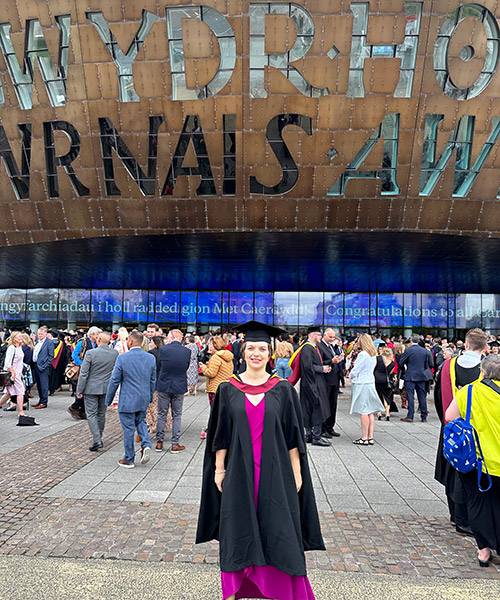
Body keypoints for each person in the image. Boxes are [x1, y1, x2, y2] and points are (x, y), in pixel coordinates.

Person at [196, 321, 325, 600]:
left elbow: (293, 436)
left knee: (278, 527)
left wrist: (297, 472)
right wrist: (219, 469)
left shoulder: (283, 390)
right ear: (243, 352)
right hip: (239, 473)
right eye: (251, 348)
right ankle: (232, 591)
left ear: (270, 353)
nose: (256, 353)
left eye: (262, 348)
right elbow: (221, 433)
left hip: (276, 471)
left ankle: (281, 590)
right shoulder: (228, 389)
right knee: (236, 527)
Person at [445, 355, 500, 567]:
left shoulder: (469, 391)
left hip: (476, 462)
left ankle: (484, 550)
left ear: (482, 372)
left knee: (477, 504)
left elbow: (449, 416)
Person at [434, 328, 488, 536]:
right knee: (469, 472)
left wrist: (445, 420)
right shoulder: (486, 370)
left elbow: (438, 395)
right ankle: (466, 519)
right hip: (476, 430)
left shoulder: (448, 365)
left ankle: (454, 513)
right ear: (484, 348)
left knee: (450, 469)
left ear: (465, 345)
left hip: (450, 426)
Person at [105, 330, 156, 468]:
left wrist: (108, 399)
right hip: (143, 397)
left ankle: (129, 458)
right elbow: (152, 380)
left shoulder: (123, 358)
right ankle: (146, 444)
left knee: (128, 428)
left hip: (128, 398)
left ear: (131, 341)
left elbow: (114, 380)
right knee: (141, 421)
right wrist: (150, 396)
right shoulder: (150, 358)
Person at [76, 332, 118, 452]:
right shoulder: (114, 353)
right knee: (101, 413)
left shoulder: (91, 353)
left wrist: (79, 390)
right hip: (106, 387)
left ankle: (96, 439)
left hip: (91, 388)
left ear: (98, 340)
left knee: (91, 414)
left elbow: (84, 373)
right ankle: (99, 437)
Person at [155, 329, 191, 454]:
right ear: (180, 338)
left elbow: (159, 367)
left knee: (161, 414)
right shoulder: (187, 351)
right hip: (179, 385)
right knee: (177, 415)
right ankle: (175, 444)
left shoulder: (163, 350)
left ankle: (159, 442)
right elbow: (185, 367)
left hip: (164, 384)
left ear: (171, 337)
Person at [349, 333, 384, 445]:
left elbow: (356, 370)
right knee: (370, 411)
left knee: (363, 411)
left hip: (361, 383)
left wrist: (350, 375)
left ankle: (364, 437)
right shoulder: (373, 354)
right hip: (370, 382)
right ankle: (370, 437)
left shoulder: (363, 354)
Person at [299, 326, 331, 446]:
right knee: (316, 408)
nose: (320, 337)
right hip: (311, 382)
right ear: (312, 335)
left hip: (313, 381)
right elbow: (307, 367)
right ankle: (315, 437)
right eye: (319, 334)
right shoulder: (307, 348)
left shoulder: (313, 347)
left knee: (310, 408)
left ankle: (310, 435)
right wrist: (321, 368)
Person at [199, 335, 234, 439]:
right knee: (221, 411)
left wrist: (204, 367)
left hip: (215, 388)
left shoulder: (216, 357)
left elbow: (211, 373)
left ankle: (213, 431)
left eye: (210, 344)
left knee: (215, 411)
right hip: (225, 387)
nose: (208, 346)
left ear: (215, 345)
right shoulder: (227, 356)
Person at [398, 334, 434, 423]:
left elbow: (401, 363)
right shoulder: (425, 351)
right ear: (419, 341)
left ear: (411, 341)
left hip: (410, 375)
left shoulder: (408, 350)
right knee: (422, 396)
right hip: (422, 376)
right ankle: (424, 416)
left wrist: (406, 368)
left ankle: (410, 416)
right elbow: (431, 364)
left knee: (410, 396)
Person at [69, 326, 101, 419]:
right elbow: (74, 355)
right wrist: (83, 364)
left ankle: (81, 410)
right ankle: (75, 408)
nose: (98, 336)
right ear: (92, 334)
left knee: (86, 391)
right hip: (82, 370)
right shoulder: (83, 342)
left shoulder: (96, 343)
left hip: (92, 370)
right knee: (81, 389)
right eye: (97, 334)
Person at [318, 328, 343, 438]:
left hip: (334, 379)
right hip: (326, 379)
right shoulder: (320, 346)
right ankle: (323, 428)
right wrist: (331, 361)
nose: (333, 339)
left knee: (333, 404)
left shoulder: (331, 346)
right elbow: (319, 362)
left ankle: (330, 427)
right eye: (330, 337)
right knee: (326, 405)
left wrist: (339, 358)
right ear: (324, 335)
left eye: (334, 337)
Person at [0, 332, 26, 417]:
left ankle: (21, 412)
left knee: (8, 393)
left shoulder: (19, 347)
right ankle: (21, 412)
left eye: (21, 336)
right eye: (19, 336)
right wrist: (13, 373)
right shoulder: (11, 348)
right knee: (20, 392)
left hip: (18, 373)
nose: (21, 337)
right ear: (14, 338)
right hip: (13, 374)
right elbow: (7, 363)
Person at [31, 326, 54, 409]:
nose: (39, 335)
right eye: (38, 333)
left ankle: (44, 402)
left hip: (43, 367)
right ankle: (41, 401)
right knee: (39, 385)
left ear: (45, 333)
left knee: (44, 385)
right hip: (35, 366)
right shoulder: (37, 342)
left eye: (41, 333)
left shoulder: (49, 342)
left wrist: (45, 365)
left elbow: (51, 356)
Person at [374, 346, 397, 421]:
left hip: (377, 379)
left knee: (378, 395)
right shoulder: (392, 362)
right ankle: (387, 413)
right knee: (387, 397)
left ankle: (379, 412)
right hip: (387, 381)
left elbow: (374, 368)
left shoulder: (378, 358)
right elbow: (391, 373)